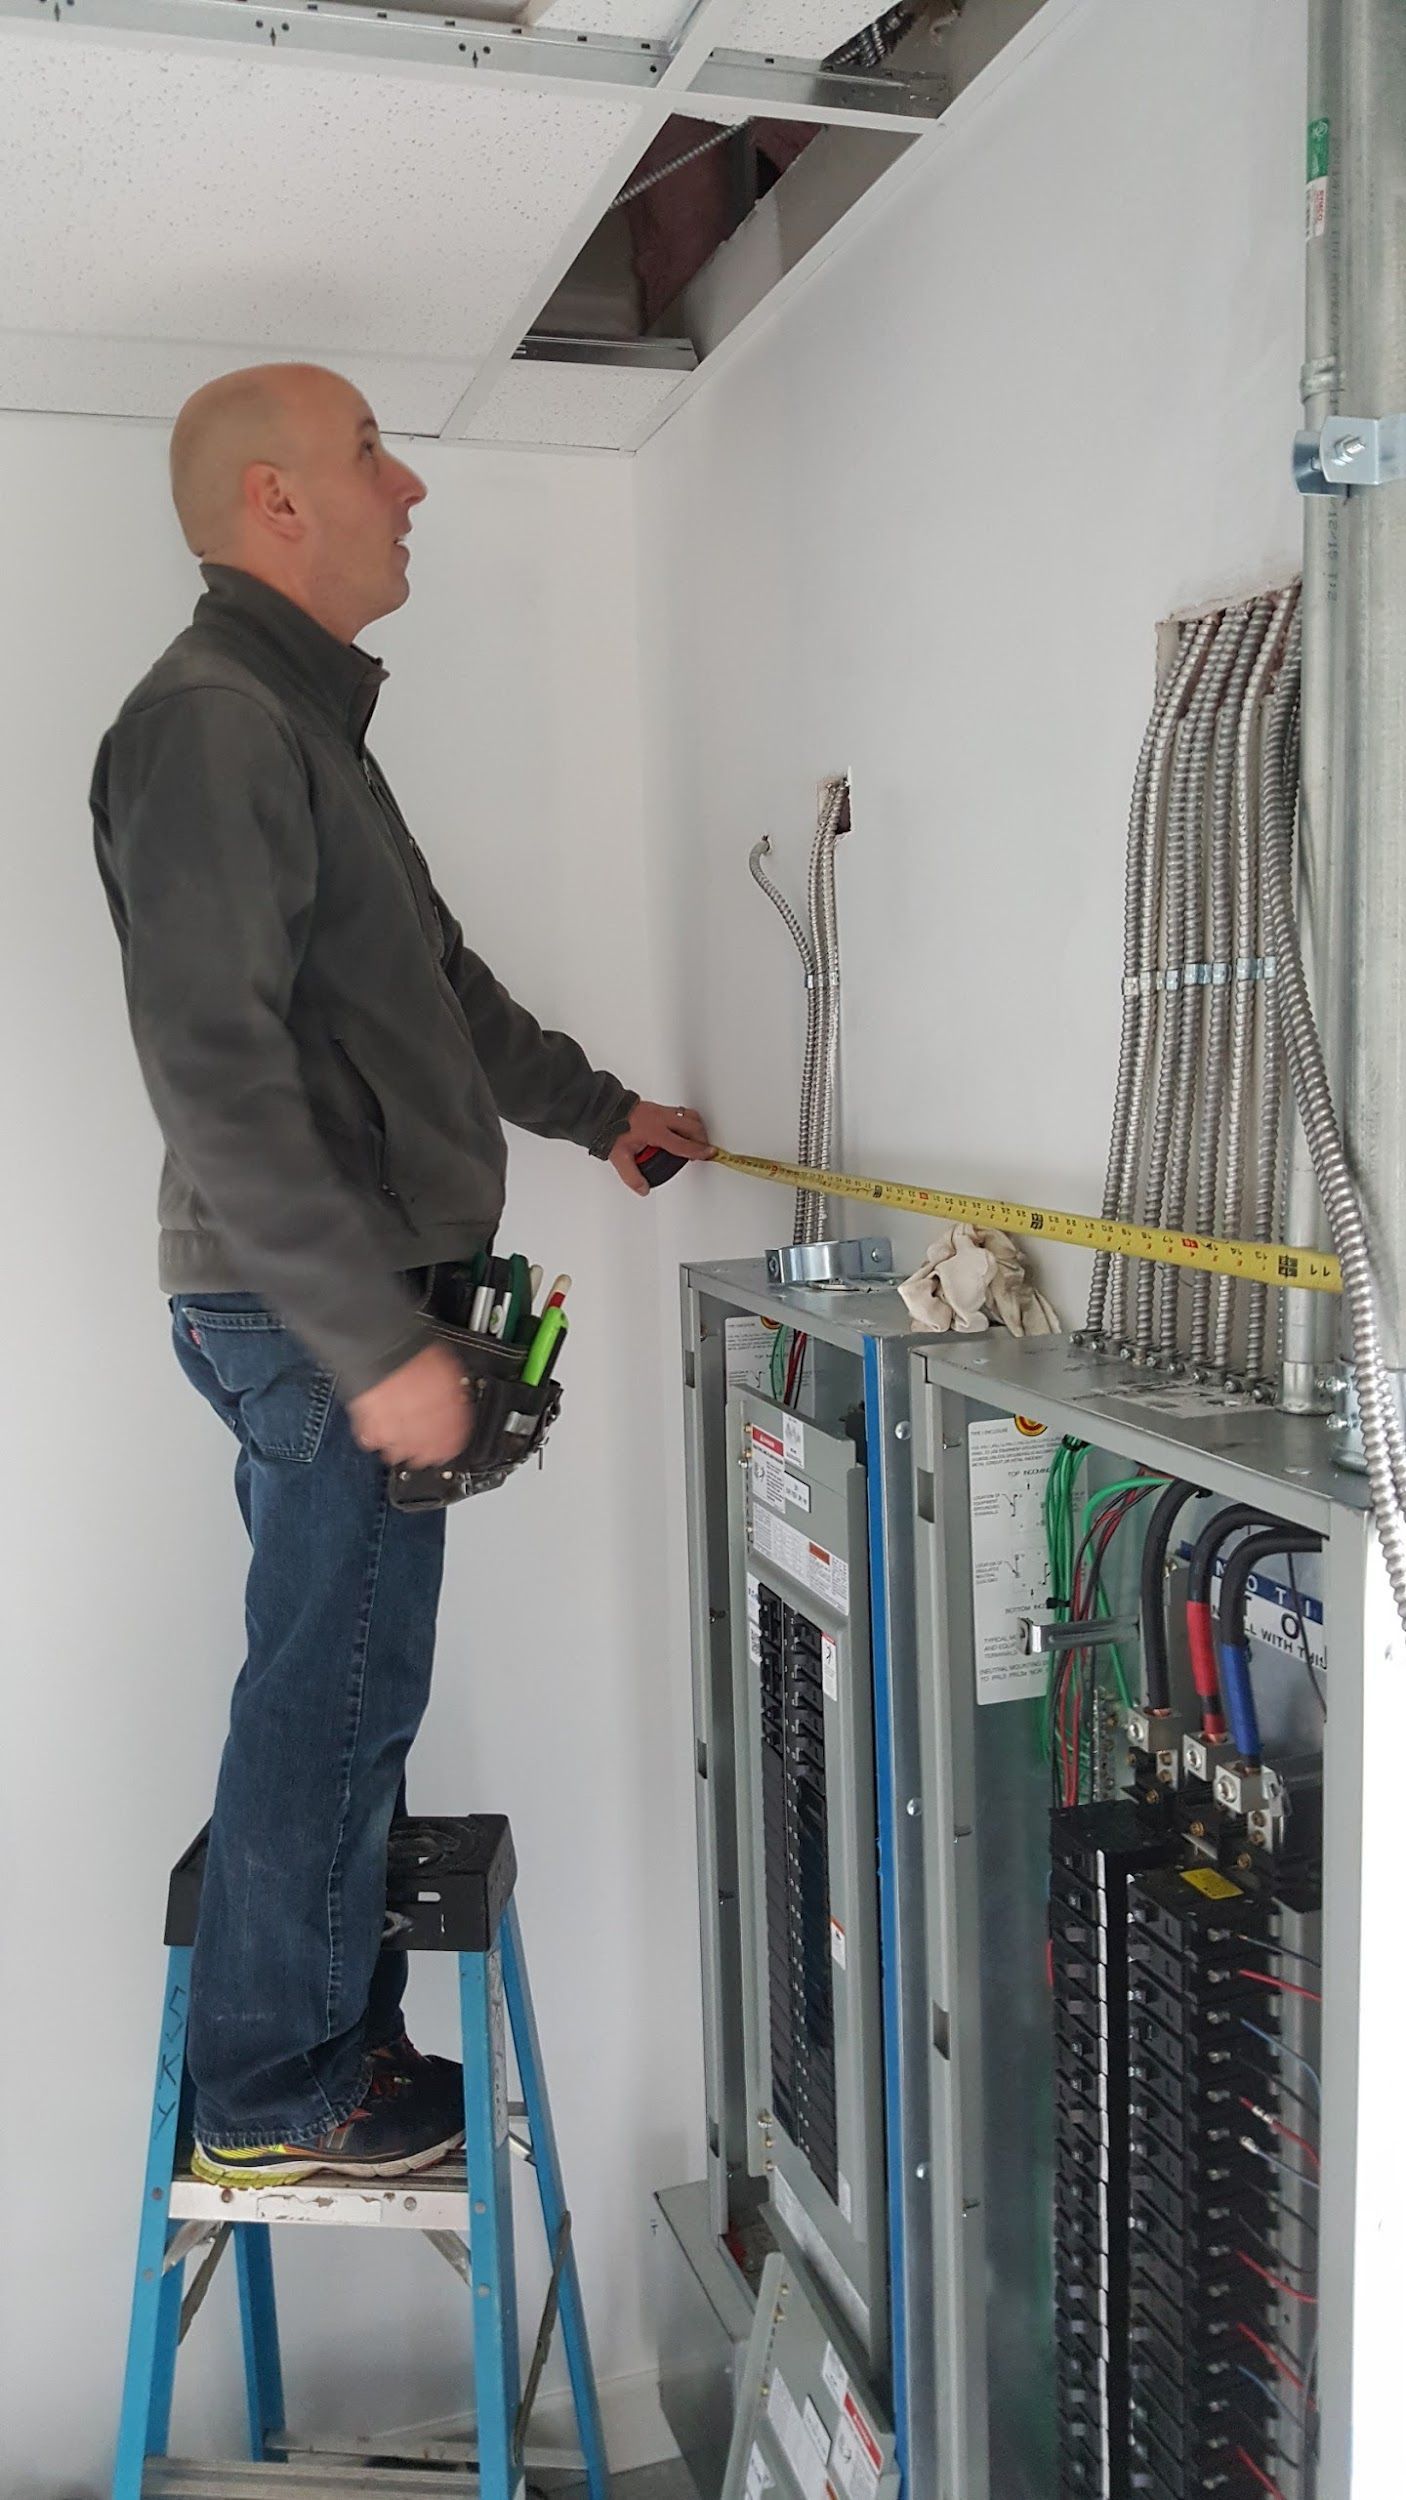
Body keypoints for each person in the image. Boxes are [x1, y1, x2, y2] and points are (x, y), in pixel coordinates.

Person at [91, 362, 712, 2189]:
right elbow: (213, 1063)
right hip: (317, 1308)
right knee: (333, 1688)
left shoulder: (301, 727)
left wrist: (599, 1113)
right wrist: (369, 1338)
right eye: (372, 453)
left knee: (348, 1682)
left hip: (347, 1298)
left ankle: (322, 2049)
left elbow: (431, 987)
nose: (410, 487)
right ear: (275, 502)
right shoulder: (211, 722)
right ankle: (282, 2095)